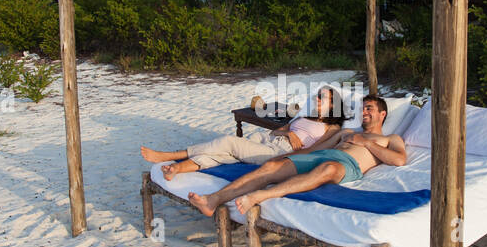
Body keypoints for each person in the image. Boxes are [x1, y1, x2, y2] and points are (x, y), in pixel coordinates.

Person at [188, 94, 405, 216]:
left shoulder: (390, 138)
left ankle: (262, 195)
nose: (364, 113)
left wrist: (365, 142)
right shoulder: (347, 131)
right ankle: (213, 200)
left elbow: (399, 159)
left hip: (346, 164)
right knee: (270, 168)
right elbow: (316, 149)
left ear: (382, 114)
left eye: (369, 109)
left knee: (328, 169)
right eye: (363, 109)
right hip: (324, 155)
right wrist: (286, 156)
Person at [140, 85, 342, 180]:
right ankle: (178, 169)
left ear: (333, 104)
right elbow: (281, 130)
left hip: (281, 153)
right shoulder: (305, 116)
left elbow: (317, 150)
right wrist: (288, 133)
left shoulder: (332, 128)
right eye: (317, 96)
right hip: (270, 139)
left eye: (322, 98)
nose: (317, 99)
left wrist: (288, 155)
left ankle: (171, 156)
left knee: (228, 142)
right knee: (226, 155)